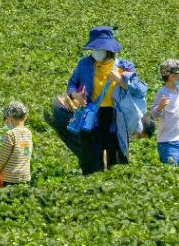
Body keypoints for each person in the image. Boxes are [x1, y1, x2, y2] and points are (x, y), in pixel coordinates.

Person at [43, 26, 145, 176]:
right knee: (91, 157)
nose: (96, 52)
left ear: (109, 49)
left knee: (117, 157)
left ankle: (116, 182)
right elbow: (72, 83)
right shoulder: (85, 64)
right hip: (91, 114)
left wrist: (120, 79)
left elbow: (139, 90)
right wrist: (75, 95)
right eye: (94, 49)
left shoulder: (124, 66)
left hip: (115, 116)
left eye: (100, 49)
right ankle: (93, 182)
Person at [151, 59, 179, 170]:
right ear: (172, 76)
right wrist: (160, 107)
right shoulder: (163, 93)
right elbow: (153, 115)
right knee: (170, 173)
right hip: (168, 143)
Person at [0, 100, 34, 186]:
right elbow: (26, 154)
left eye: (4, 118)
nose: (5, 122)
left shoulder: (11, 134)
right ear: (25, 117)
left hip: (11, 179)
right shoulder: (28, 133)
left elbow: (2, 158)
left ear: (9, 118)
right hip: (25, 178)